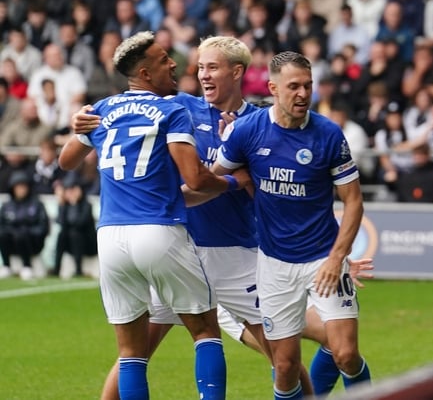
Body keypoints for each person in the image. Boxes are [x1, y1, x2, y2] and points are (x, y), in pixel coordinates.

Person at [58, 31, 247, 400]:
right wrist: (235, 182)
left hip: (110, 237)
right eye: (164, 60)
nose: (174, 63)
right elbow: (194, 178)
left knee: (131, 352)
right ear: (145, 73)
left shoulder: (102, 109)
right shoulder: (171, 110)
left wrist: (78, 126)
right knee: (206, 330)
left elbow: (66, 162)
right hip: (158, 229)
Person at [210, 51, 371, 400]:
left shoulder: (328, 134)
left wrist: (336, 258)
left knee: (345, 353)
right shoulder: (248, 132)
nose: (302, 94)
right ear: (273, 88)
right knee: (284, 367)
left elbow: (354, 200)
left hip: (323, 260)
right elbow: (213, 177)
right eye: (294, 86)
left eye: (308, 86)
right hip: (274, 266)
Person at [0, 170, 49, 280]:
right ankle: (6, 266)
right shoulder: (6, 206)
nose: (21, 189)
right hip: (12, 243)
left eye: (23, 186)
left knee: (21, 235)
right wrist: (12, 232)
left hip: (32, 243)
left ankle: (27, 266)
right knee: (3, 234)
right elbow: (2, 225)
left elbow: (43, 228)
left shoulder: (37, 204)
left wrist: (27, 232)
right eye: (18, 186)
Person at [52, 173, 97, 278]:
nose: (70, 193)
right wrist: (62, 205)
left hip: (88, 244)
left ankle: (78, 270)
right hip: (71, 244)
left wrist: (74, 204)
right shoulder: (64, 205)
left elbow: (79, 223)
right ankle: (56, 269)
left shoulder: (87, 205)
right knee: (61, 235)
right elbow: (62, 223)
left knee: (75, 234)